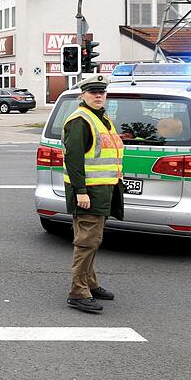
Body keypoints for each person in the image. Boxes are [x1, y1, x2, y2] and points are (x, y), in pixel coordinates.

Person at [62, 74, 124, 314]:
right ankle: (78, 292)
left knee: (93, 240)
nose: (98, 96)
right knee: (86, 242)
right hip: (89, 192)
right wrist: (81, 192)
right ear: (83, 95)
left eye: (101, 92)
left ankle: (90, 283)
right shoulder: (80, 120)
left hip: (104, 189)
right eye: (93, 92)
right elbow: (74, 160)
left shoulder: (102, 117)